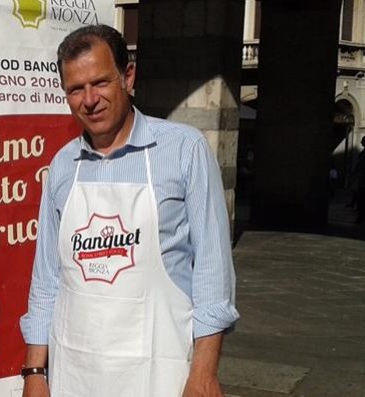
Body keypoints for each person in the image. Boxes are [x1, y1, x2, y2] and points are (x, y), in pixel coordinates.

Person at [20, 25, 239, 397]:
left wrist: (204, 372)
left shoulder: (183, 150)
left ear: (128, 76)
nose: (89, 100)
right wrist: (35, 372)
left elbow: (212, 272)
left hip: (160, 372)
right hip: (76, 373)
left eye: (101, 82)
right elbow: (47, 279)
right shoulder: (62, 166)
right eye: (76, 89)